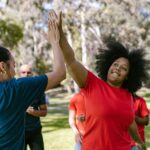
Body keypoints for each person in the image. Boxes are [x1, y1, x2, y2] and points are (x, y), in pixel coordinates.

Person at [48, 10, 150, 150]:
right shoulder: (92, 84)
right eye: (115, 64)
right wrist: (60, 34)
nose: (118, 68)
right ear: (108, 66)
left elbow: (129, 121)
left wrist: (140, 142)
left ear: (128, 76)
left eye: (124, 68)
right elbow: (71, 61)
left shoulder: (128, 96)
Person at [0, 11, 66, 150]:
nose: (15, 69)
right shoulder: (16, 89)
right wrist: (55, 40)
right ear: (2, 66)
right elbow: (60, 73)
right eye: (13, 65)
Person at [19, 64, 47, 150]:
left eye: (28, 72)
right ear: (19, 74)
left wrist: (32, 112)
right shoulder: (14, 89)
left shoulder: (38, 90)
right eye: (23, 72)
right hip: (19, 133)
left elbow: (44, 112)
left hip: (35, 131)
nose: (26, 75)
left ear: (32, 74)